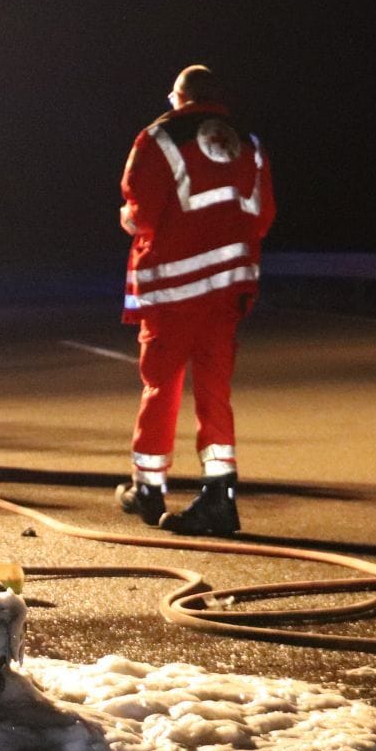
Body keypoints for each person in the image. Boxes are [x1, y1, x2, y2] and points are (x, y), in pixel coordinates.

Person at [114, 65, 276, 535]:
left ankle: (148, 488)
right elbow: (263, 215)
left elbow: (142, 211)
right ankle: (220, 496)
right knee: (214, 390)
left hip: (174, 285)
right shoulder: (251, 142)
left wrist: (129, 217)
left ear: (180, 97)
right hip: (229, 289)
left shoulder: (160, 137)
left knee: (160, 385)